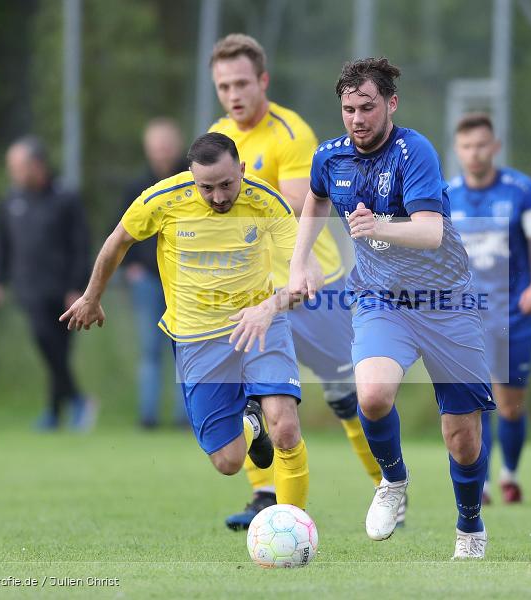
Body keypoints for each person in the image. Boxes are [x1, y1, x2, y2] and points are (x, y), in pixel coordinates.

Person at [289, 58, 494, 559]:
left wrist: (377, 225)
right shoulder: (329, 157)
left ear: (391, 103)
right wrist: (300, 262)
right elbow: (315, 200)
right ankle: (393, 480)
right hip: (382, 299)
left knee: (462, 437)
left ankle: (469, 526)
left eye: (367, 107)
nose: (357, 119)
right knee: (374, 395)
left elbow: (431, 231)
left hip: (447, 302)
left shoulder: (413, 151)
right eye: (348, 109)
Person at [60, 132, 312, 509]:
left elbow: (305, 278)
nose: (218, 197)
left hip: (259, 324)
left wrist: (270, 308)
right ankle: (251, 423)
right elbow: (118, 240)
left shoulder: (266, 201)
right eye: (206, 188)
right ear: (192, 178)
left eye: (227, 184)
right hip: (198, 338)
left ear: (242, 170)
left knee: (286, 427)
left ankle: (295, 523)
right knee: (228, 461)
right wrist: (91, 296)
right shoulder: (163, 199)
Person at [208, 33, 384, 530]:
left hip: (313, 287)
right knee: (251, 394)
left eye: (241, 83)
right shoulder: (218, 135)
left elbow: (294, 209)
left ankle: (386, 486)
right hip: (255, 292)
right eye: (224, 86)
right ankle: (263, 494)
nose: (233, 94)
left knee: (347, 397)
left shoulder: (290, 133)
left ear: (262, 80)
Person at [448, 113, 531, 505]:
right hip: (467, 314)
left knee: (509, 405)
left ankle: (510, 472)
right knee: (477, 401)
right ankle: (484, 483)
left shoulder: (522, 189)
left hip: (513, 312)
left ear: (495, 147)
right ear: (458, 150)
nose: (474, 153)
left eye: (481, 145)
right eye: (467, 146)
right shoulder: (447, 194)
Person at [0, 136, 97, 431]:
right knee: (47, 345)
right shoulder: (11, 201)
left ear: (36, 165)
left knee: (58, 353)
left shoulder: (66, 198)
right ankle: (77, 400)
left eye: (18, 167)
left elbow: (80, 246)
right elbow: (2, 246)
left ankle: (54, 413)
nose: (13, 173)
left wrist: (78, 288)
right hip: (29, 291)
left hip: (64, 292)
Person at [122, 118, 188, 429]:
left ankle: (185, 417)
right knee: (149, 348)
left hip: (185, 280)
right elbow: (122, 231)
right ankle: (147, 416)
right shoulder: (137, 187)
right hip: (148, 280)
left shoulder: (193, 184)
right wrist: (130, 266)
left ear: (177, 147)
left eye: (166, 146)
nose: (161, 152)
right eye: (156, 147)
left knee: (185, 347)